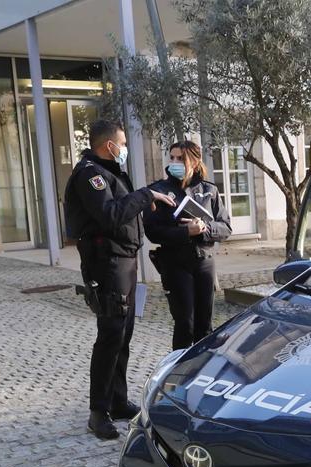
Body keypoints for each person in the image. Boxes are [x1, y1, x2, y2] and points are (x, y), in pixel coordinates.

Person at [65, 119, 174, 440]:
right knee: (110, 334)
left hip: (123, 262)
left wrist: (143, 198)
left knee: (123, 333)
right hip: (106, 264)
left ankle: (117, 400)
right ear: (108, 145)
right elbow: (110, 214)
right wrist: (144, 195)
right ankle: (98, 412)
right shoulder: (91, 175)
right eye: (123, 143)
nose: (125, 148)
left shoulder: (108, 170)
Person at [144, 141, 232, 350]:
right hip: (175, 263)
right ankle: (178, 372)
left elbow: (226, 227)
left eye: (180, 158)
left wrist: (205, 228)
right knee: (185, 323)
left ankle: (202, 369)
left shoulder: (209, 190)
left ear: (195, 160)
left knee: (205, 324)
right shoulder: (159, 190)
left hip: (204, 261)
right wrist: (185, 232)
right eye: (172, 157)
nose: (174, 162)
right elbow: (153, 232)